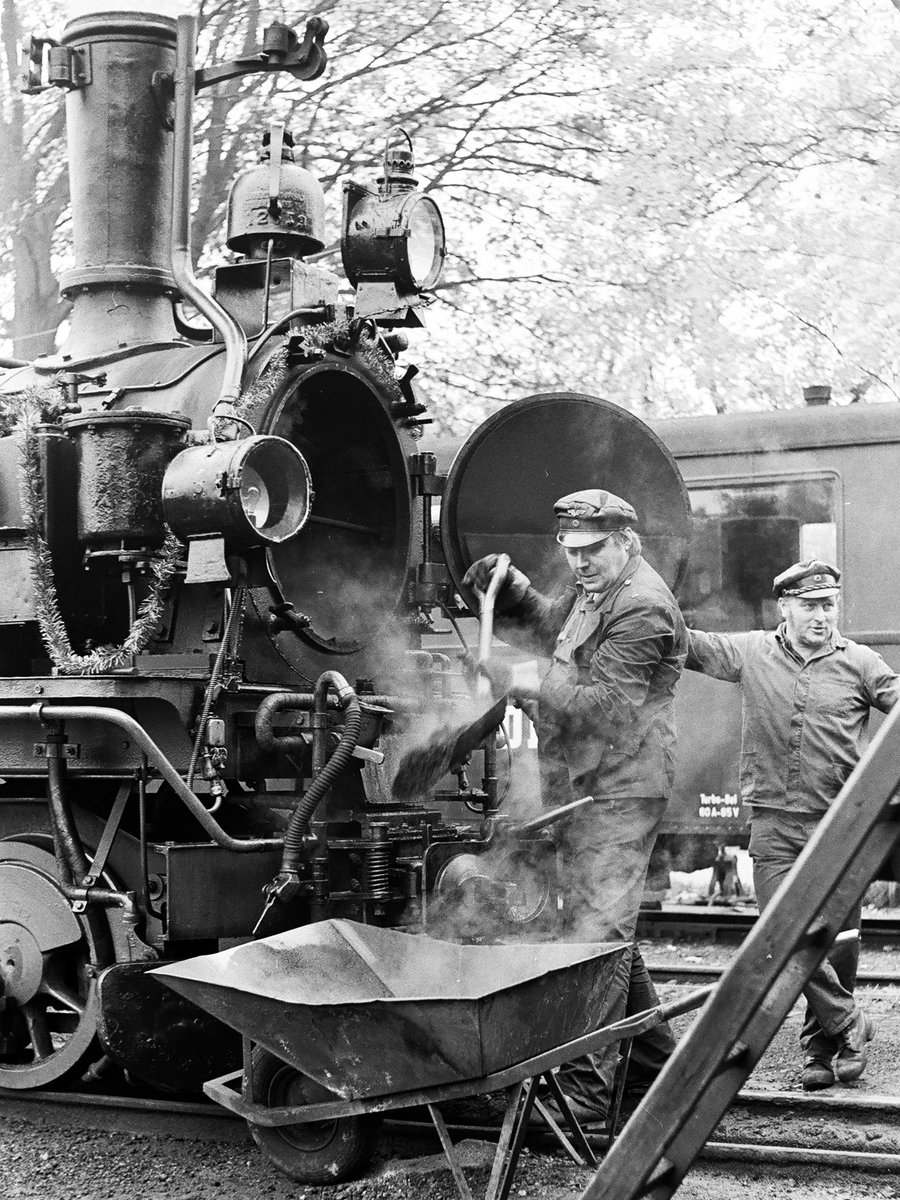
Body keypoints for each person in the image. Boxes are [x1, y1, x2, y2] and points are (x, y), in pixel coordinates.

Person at [463, 488, 688, 1124]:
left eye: (591, 550)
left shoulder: (642, 606)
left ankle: (587, 1101)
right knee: (602, 919)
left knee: (595, 936)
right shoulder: (595, 588)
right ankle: (653, 1070)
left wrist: (521, 677)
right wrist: (514, 595)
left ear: (625, 542)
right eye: (571, 550)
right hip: (585, 784)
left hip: (622, 787)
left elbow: (607, 707)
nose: (580, 562)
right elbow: (555, 629)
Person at [686, 560, 899, 1090]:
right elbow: (689, 645)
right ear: (785, 607)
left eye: (828, 605)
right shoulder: (752, 652)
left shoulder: (862, 663)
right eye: (810, 606)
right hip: (776, 827)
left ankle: (823, 1052)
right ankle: (851, 1021)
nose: (822, 616)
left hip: (841, 827)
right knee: (780, 938)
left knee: (839, 942)